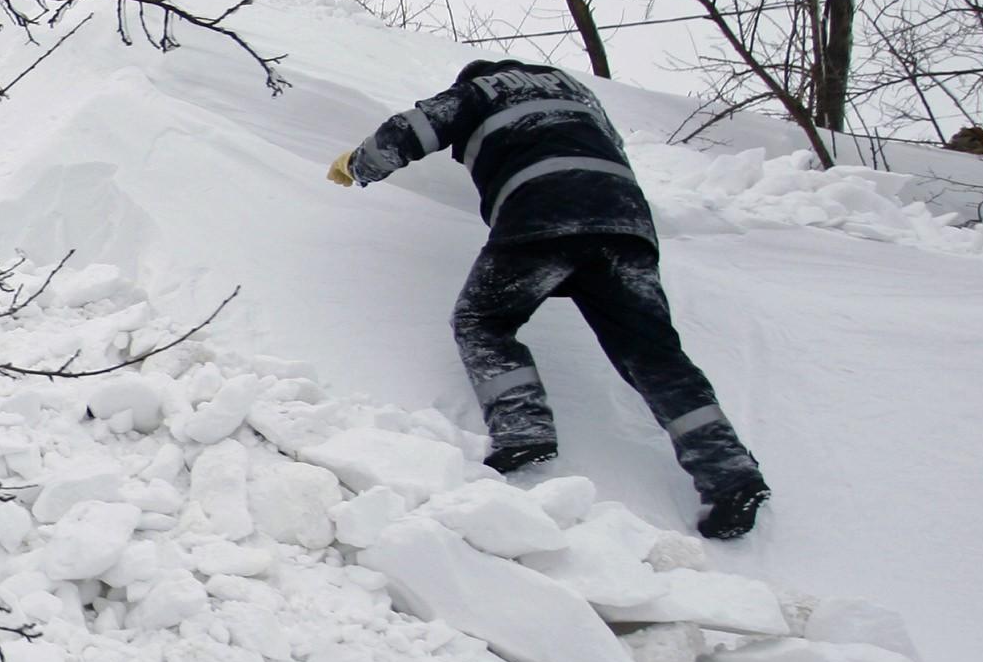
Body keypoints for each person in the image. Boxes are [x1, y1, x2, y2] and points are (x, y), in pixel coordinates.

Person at [328, 58, 771, 540]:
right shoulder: (578, 95)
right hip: (625, 225)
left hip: (543, 214)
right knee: (654, 355)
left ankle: (523, 432)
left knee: (484, 320)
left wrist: (359, 164)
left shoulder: (485, 89)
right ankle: (729, 473)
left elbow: (417, 127)